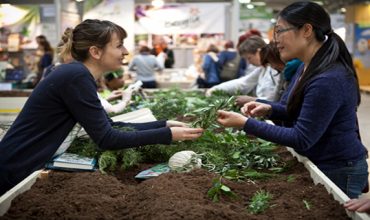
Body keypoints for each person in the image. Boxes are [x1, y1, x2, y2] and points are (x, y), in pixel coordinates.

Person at [0, 19, 203, 196]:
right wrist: (167, 135)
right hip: (15, 169)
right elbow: (107, 139)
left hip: (17, 165)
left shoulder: (77, 74)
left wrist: (163, 124)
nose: (125, 52)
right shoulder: (76, 76)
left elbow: (110, 125)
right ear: (96, 51)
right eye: (119, 46)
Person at [216, 1, 367, 199]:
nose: (275, 39)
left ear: (306, 30)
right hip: (321, 160)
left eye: (279, 31)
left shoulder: (328, 78)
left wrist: (246, 124)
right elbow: (294, 109)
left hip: (337, 167)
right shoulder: (307, 67)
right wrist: (269, 108)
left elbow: (302, 138)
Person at [206, 37, 282, 102]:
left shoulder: (275, 69)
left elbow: (273, 99)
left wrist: (253, 100)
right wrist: (215, 89)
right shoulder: (262, 69)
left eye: (249, 58)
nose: (249, 62)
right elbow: (243, 83)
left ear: (259, 52)